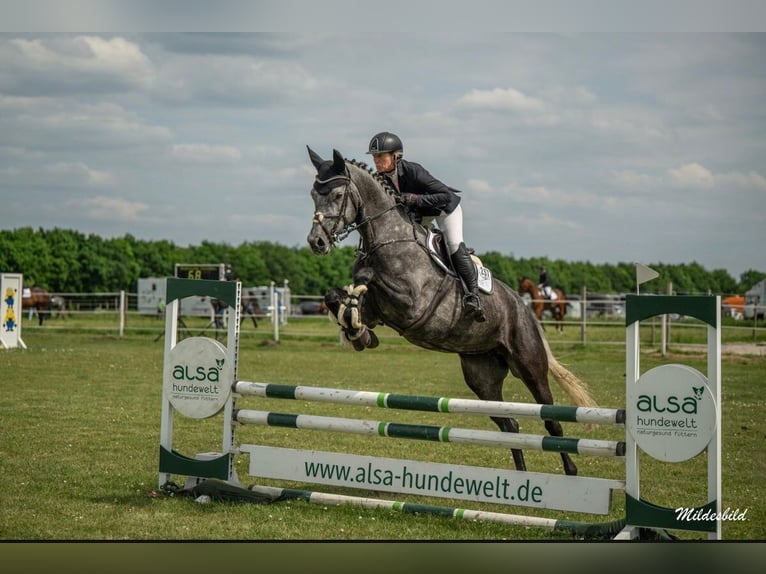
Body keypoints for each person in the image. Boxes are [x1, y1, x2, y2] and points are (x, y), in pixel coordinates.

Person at [367, 131, 485, 322]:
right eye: (374, 157)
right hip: (421, 214)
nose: (376, 161)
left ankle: (473, 296)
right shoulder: (382, 179)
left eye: (381, 156)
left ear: (396, 156)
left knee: (454, 244)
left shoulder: (413, 170)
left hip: (445, 210)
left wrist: (414, 198)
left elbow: (445, 195)